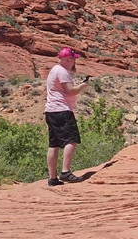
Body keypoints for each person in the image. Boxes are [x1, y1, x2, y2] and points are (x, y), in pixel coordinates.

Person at [45, 47, 89, 186]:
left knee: (54, 144)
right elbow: (70, 91)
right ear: (67, 59)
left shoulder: (55, 70)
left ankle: (52, 178)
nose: (74, 62)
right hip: (61, 110)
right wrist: (82, 86)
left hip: (51, 111)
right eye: (73, 59)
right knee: (72, 140)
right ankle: (65, 172)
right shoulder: (61, 71)